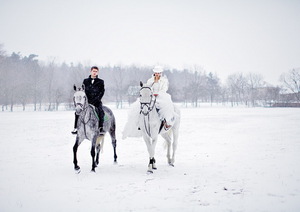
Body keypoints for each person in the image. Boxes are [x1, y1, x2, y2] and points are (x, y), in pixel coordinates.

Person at [122, 65, 175, 139]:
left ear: (161, 73)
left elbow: (164, 89)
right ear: (154, 73)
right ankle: (139, 122)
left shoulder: (164, 81)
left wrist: (158, 93)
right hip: (151, 96)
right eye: (156, 73)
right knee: (140, 105)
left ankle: (166, 122)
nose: (157, 74)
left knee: (165, 106)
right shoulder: (150, 80)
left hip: (161, 96)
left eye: (159, 73)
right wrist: (151, 93)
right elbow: (147, 88)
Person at [72, 66, 105, 134]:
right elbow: (83, 91)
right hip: (87, 102)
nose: (94, 72)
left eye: (96, 71)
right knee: (78, 112)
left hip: (97, 102)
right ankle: (76, 128)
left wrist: (96, 100)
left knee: (101, 112)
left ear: (97, 72)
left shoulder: (101, 81)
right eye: (93, 71)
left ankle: (101, 128)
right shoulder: (85, 81)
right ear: (91, 71)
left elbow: (102, 92)